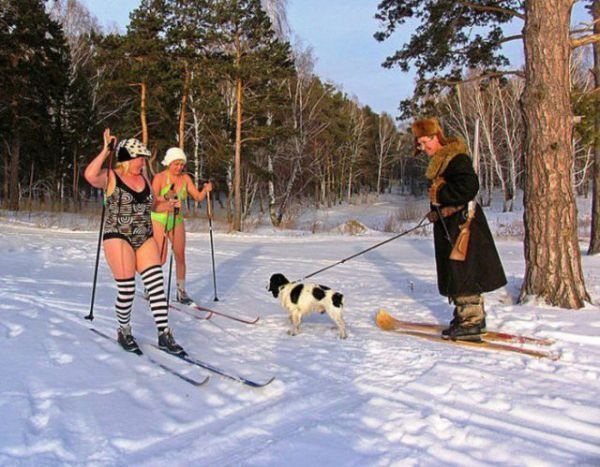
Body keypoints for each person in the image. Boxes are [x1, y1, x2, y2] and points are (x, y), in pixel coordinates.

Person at [84, 129, 186, 355]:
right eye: (139, 158)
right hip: (118, 236)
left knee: (156, 284)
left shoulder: (144, 179)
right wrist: (105, 151)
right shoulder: (111, 176)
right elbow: (90, 175)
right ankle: (124, 329)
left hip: (143, 235)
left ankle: (164, 333)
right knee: (127, 288)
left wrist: (168, 205)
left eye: (143, 158)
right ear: (127, 158)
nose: (142, 162)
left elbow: (153, 205)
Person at [412, 117, 507, 341]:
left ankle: (472, 321)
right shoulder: (442, 161)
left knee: (464, 271)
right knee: (456, 271)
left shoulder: (456, 158)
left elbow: (469, 187)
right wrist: (437, 210)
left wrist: (440, 194)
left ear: (436, 137)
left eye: (425, 142)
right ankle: (464, 316)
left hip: (464, 224)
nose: (423, 148)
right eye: (419, 144)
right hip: (451, 224)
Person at [150, 147, 213, 305]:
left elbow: (197, 197)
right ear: (169, 163)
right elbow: (152, 201)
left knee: (180, 256)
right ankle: (151, 288)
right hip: (159, 218)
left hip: (176, 219)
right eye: (176, 164)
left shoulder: (185, 178)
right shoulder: (160, 177)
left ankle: (181, 292)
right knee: (160, 257)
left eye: (181, 164)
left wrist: (205, 190)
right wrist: (166, 196)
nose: (179, 167)